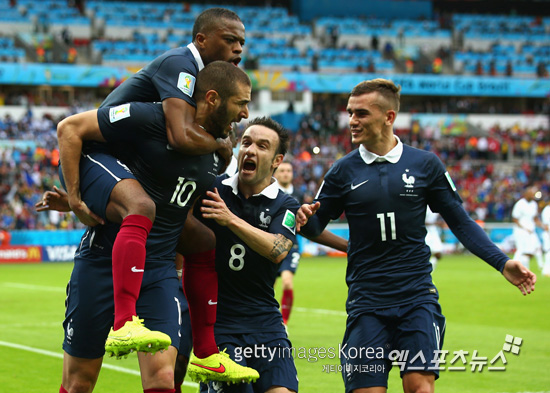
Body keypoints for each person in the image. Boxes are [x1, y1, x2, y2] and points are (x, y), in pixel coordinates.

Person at [296, 78, 536, 393]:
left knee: (420, 388)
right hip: (366, 300)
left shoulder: (425, 165)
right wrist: (304, 219)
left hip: (416, 298)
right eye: (350, 113)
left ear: (389, 117)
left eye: (362, 114)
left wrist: (503, 263)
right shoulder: (342, 172)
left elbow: (461, 223)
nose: (352, 121)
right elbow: (314, 226)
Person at [41, 61, 258, 393]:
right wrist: (76, 197)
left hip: (157, 271)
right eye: (241, 102)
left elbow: (180, 212)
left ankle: (207, 350)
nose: (245, 112)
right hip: (102, 261)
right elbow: (72, 132)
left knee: (161, 379)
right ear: (212, 98)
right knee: (78, 382)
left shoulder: (218, 152)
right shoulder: (150, 118)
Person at [198, 117, 300, 392]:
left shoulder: (285, 204)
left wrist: (229, 219)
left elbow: (278, 249)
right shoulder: (213, 190)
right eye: (246, 142)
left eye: (262, 146)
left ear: (277, 160)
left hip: (266, 323)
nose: (251, 150)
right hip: (219, 324)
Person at [273, 161, 302, 325]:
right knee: (269, 287)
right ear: (276, 173)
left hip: (291, 246)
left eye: (289, 171)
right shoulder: (270, 192)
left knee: (287, 282)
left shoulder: (298, 195)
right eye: (282, 170)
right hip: (271, 244)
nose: (285, 173)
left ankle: (284, 323)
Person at [511, 186, 544, 270]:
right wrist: (525, 228)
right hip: (521, 230)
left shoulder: (534, 204)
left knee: (535, 248)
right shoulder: (520, 204)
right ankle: (512, 266)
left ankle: (537, 266)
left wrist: (543, 226)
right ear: (526, 194)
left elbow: (535, 218)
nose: (533, 195)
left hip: (531, 231)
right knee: (521, 250)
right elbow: (515, 218)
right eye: (532, 193)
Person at [425, 206, 444, 271]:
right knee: (425, 253)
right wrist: (435, 223)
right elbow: (420, 221)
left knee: (439, 253)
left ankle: (430, 267)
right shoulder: (425, 208)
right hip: (425, 232)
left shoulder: (433, 206)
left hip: (433, 231)